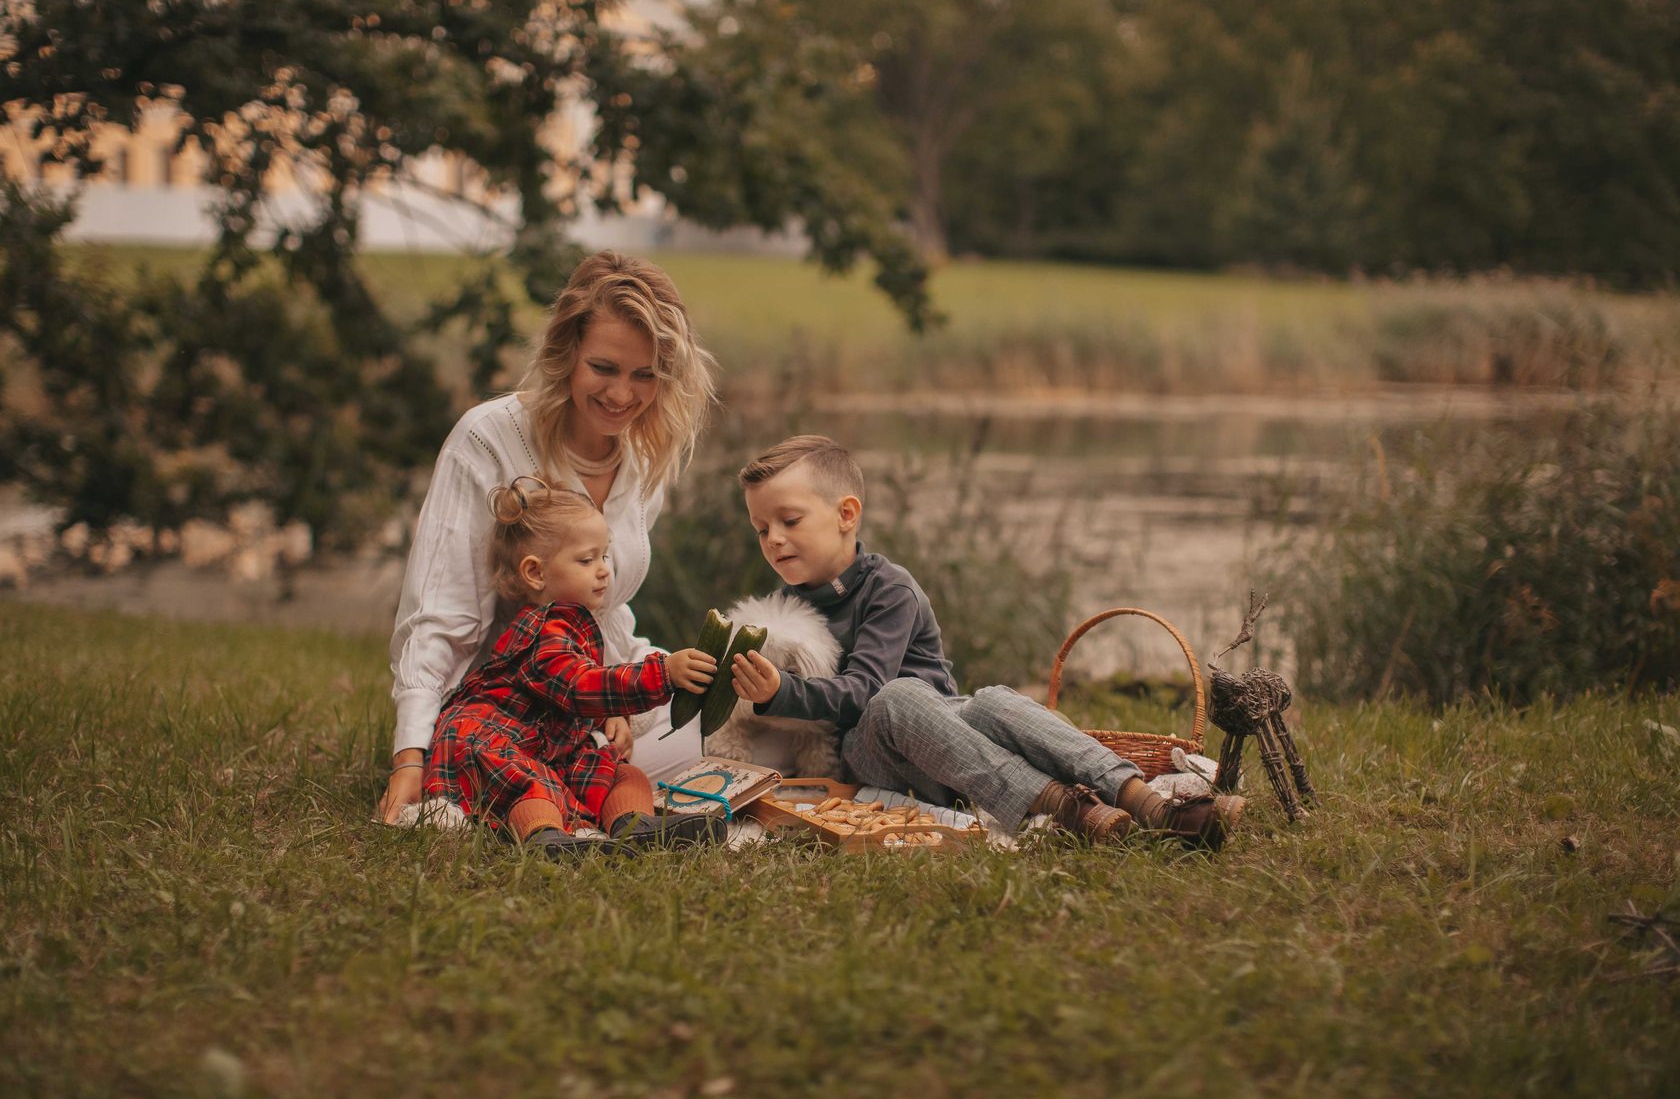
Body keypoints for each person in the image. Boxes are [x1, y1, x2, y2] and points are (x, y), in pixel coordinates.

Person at [726, 435, 1247, 848]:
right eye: (760, 528)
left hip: (954, 740)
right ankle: (1069, 808)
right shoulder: (782, 613)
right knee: (897, 699)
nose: (773, 538)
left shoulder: (889, 589)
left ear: (846, 515)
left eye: (789, 521)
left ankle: (1149, 802)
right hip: (877, 756)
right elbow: (865, 702)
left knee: (994, 698)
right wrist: (766, 693)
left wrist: (783, 692)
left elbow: (870, 686)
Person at [379, 251, 717, 825]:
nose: (622, 395)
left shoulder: (640, 458)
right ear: (566, 356)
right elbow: (441, 618)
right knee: (513, 756)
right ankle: (538, 804)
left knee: (731, 717)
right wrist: (409, 758)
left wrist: (617, 697)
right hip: (498, 715)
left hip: (585, 702)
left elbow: (604, 611)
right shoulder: (488, 439)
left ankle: (626, 809)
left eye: (645, 375)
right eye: (604, 368)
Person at [421, 478, 725, 856]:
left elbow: (567, 696)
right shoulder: (543, 630)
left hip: (545, 743)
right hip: (490, 741)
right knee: (533, 782)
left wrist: (606, 718)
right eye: (586, 560)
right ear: (535, 573)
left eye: (605, 556)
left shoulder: (573, 626)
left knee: (619, 772)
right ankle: (545, 836)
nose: (603, 571)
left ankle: (635, 825)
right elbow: (580, 686)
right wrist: (662, 672)